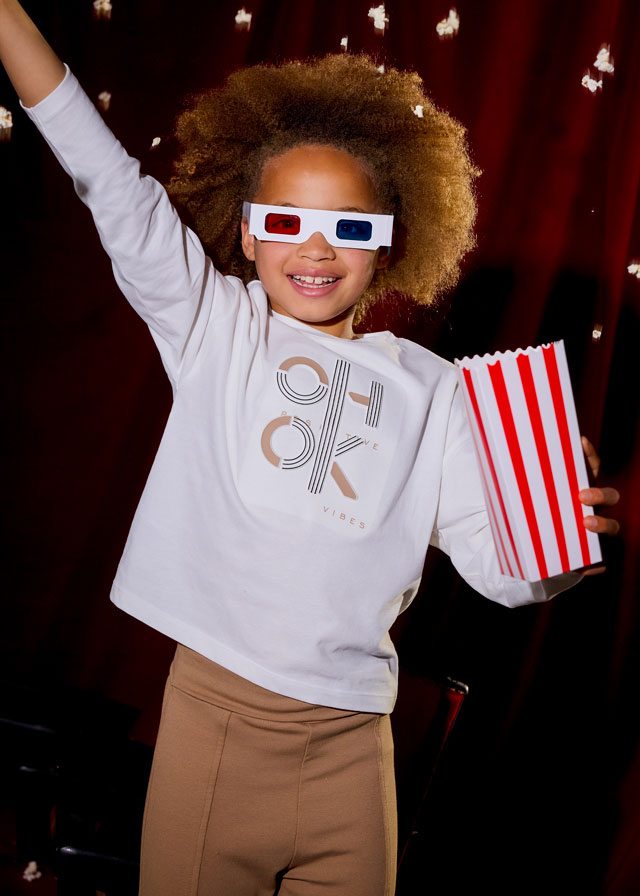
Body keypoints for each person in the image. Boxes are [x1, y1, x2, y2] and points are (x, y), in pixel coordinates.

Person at [0, 2, 621, 894]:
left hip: (355, 754)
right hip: (217, 731)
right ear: (249, 232)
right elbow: (110, 181)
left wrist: (559, 536)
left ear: (390, 243)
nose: (317, 250)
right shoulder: (214, 326)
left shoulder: (435, 390)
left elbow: (497, 569)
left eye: (351, 228)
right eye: (285, 222)